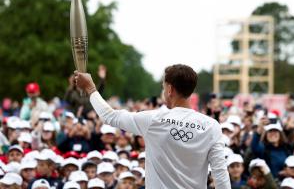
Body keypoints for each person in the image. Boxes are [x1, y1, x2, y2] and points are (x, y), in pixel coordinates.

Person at [74, 64, 230, 188]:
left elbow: (109, 116)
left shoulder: (154, 120)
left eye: (163, 87)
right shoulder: (212, 126)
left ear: (169, 89)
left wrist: (91, 88)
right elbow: (221, 177)